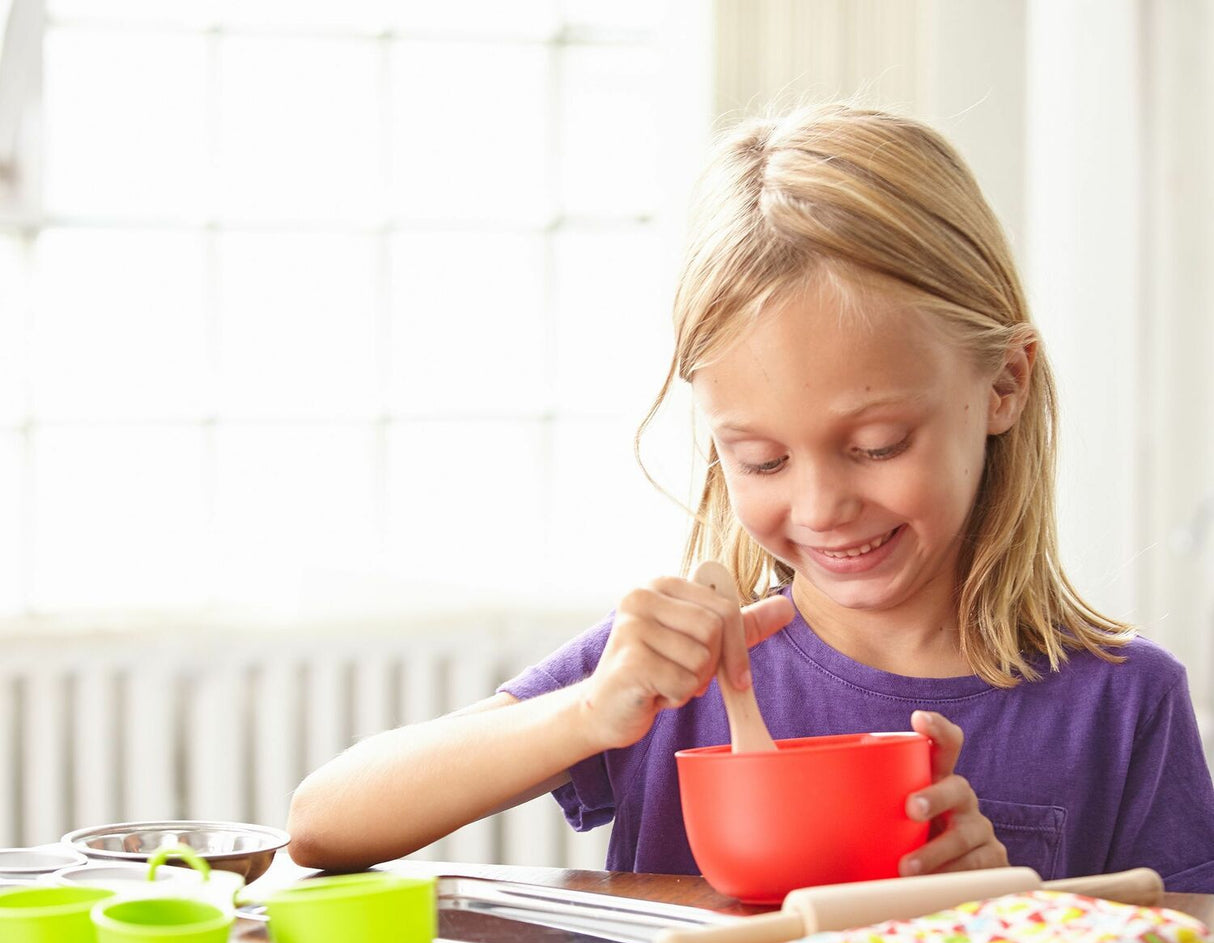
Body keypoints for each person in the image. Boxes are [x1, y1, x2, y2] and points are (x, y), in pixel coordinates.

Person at [287, 104, 1214, 892]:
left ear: (1004, 386)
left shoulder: (1122, 708)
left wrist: (1015, 926)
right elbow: (324, 822)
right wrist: (583, 713)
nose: (821, 506)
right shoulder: (671, 675)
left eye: (876, 445)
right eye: (762, 460)